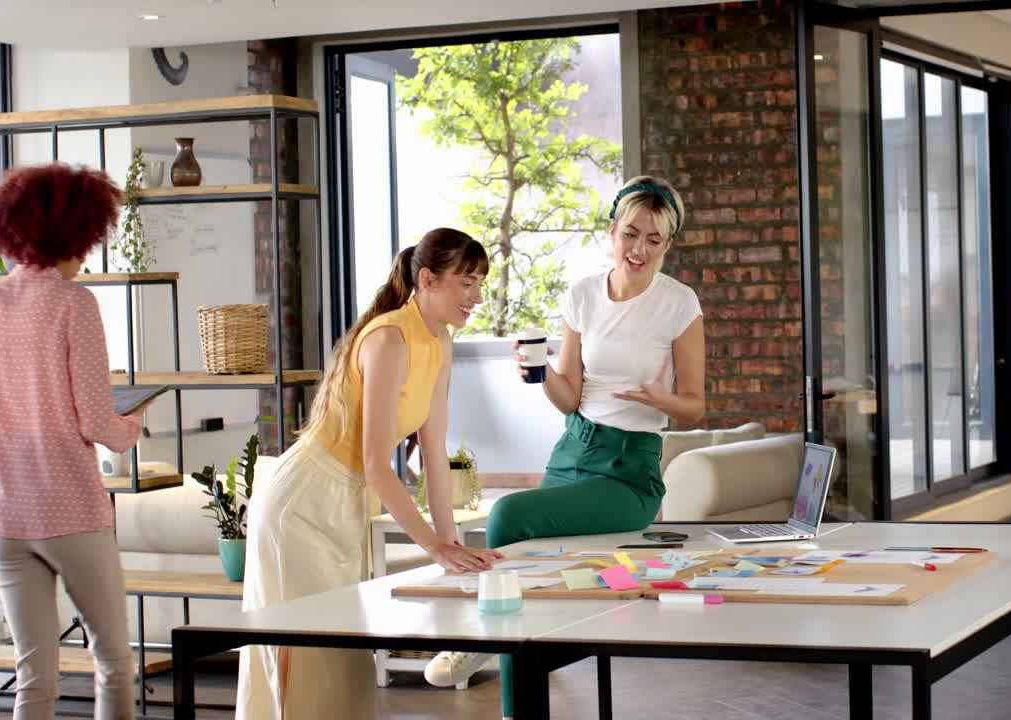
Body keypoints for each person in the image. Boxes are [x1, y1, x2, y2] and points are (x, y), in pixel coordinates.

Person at [425, 176, 706, 719]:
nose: (638, 249)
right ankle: (503, 661)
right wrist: (540, 374)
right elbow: (569, 396)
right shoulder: (581, 294)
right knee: (530, 569)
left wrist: (661, 398)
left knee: (507, 514)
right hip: (573, 448)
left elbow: (695, 406)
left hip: (629, 471)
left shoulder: (678, 303)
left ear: (668, 245)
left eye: (653, 239)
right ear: (611, 232)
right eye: (630, 234)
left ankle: (483, 655)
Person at [235, 228, 505, 720]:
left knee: (344, 660)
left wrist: (452, 544)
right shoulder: (388, 339)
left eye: (479, 283)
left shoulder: (439, 341)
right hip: (304, 501)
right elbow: (379, 462)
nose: (477, 297)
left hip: (346, 500)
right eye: (466, 283)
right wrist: (433, 546)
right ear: (427, 279)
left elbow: (433, 448)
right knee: (309, 655)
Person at [0, 163, 149, 720]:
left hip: (5, 515)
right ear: (73, 234)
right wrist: (134, 426)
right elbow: (96, 423)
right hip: (70, 511)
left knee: (32, 677)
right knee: (113, 661)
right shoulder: (75, 305)